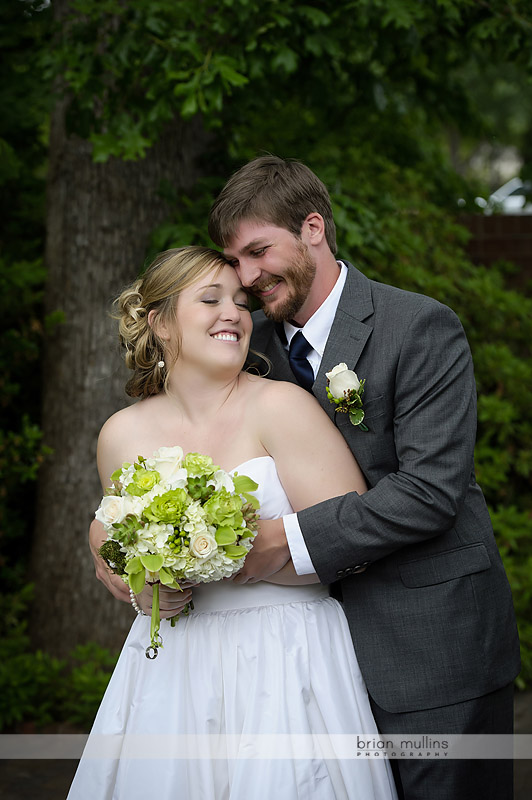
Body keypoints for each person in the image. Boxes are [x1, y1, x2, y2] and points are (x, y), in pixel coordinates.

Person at [205, 155, 521, 800]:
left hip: (433, 651)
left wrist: (284, 542)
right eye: (234, 260)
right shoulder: (250, 347)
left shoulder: (419, 327)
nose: (246, 276)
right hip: (308, 668)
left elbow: (430, 492)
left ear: (313, 228)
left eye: (259, 251)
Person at [76, 246, 398, 799]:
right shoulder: (120, 435)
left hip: (285, 655)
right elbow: (123, 547)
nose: (234, 313)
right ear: (159, 322)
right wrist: (149, 588)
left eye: (241, 302)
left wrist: (228, 558)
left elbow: (350, 542)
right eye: (210, 299)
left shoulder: (282, 407)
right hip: (175, 666)